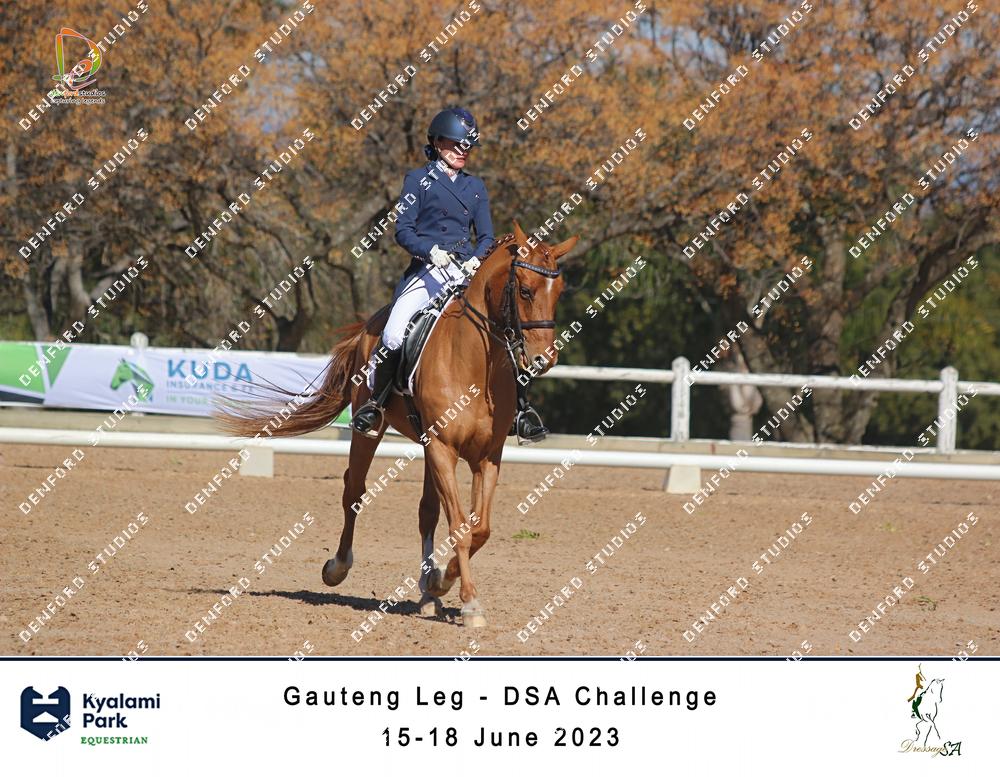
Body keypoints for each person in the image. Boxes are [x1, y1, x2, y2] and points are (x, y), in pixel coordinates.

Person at [351, 107, 549, 443]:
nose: (462, 151)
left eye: (467, 147)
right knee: (394, 333)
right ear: (437, 143)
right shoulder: (417, 180)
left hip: (464, 272)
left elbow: (485, 236)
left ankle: (520, 411)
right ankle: (376, 405)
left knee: (508, 331)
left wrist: (476, 260)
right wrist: (430, 251)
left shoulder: (475, 186)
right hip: (427, 271)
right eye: (456, 145)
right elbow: (403, 230)